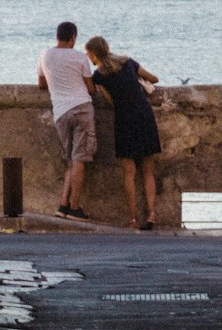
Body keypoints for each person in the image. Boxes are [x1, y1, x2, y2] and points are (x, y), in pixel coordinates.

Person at [85, 35, 161, 229]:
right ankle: (151, 215)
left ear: (94, 54)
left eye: (88, 53)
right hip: (144, 114)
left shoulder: (98, 76)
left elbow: (110, 102)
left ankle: (133, 219)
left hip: (124, 119)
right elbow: (154, 78)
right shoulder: (128, 62)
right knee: (147, 171)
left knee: (129, 172)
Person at [37, 21, 96, 218]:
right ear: (73, 38)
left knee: (70, 160)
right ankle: (75, 207)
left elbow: (41, 83)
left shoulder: (45, 55)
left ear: (57, 36)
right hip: (81, 109)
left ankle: (63, 205)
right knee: (80, 159)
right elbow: (90, 88)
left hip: (61, 112)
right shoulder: (80, 57)